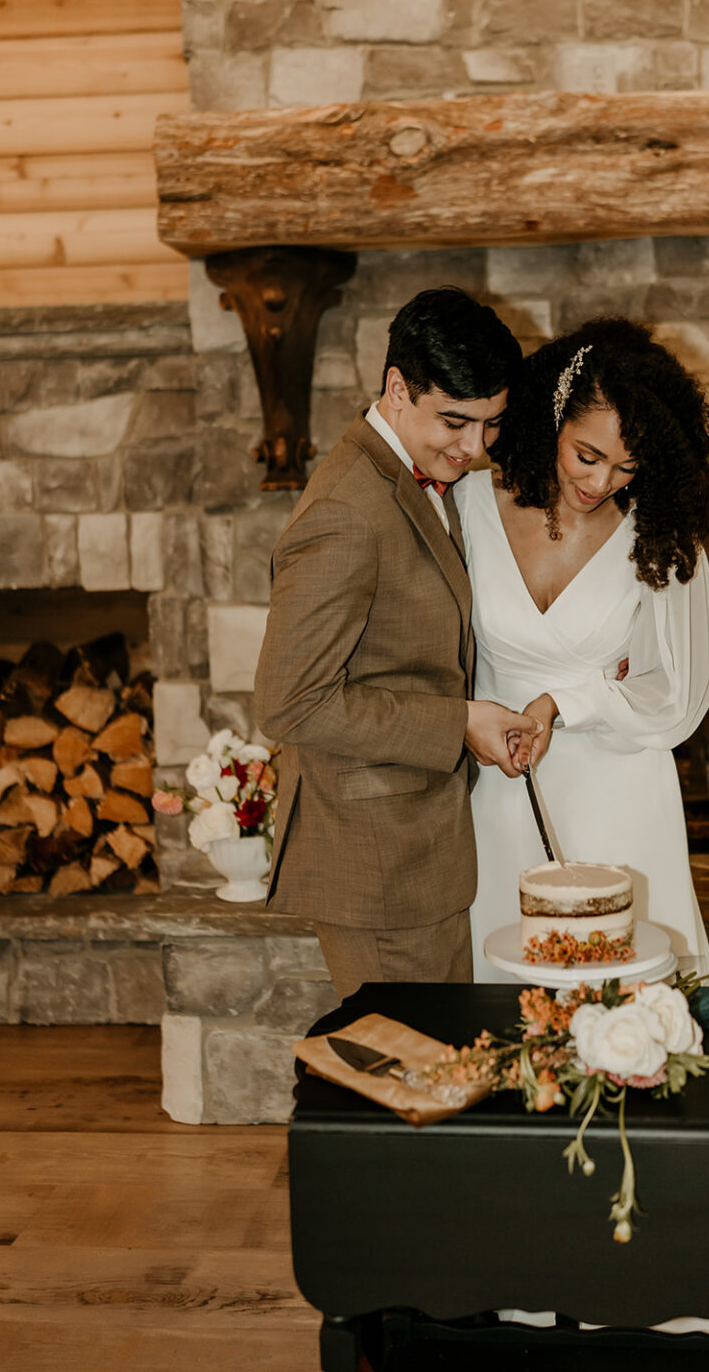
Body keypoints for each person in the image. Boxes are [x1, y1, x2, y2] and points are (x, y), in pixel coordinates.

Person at [253, 287, 539, 1002]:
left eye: (490, 424)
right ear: (396, 388)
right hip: (377, 869)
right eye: (455, 421)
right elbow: (290, 704)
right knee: (414, 1084)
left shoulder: (409, 476)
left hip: (416, 851)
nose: (474, 448)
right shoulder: (348, 511)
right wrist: (459, 722)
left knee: (434, 1080)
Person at [454, 317, 709, 983]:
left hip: (621, 793)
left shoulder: (662, 536)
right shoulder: (466, 506)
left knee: (631, 1019)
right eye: (588, 455)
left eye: (627, 467)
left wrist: (563, 703)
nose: (603, 482)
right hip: (501, 789)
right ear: (553, 414)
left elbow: (678, 699)